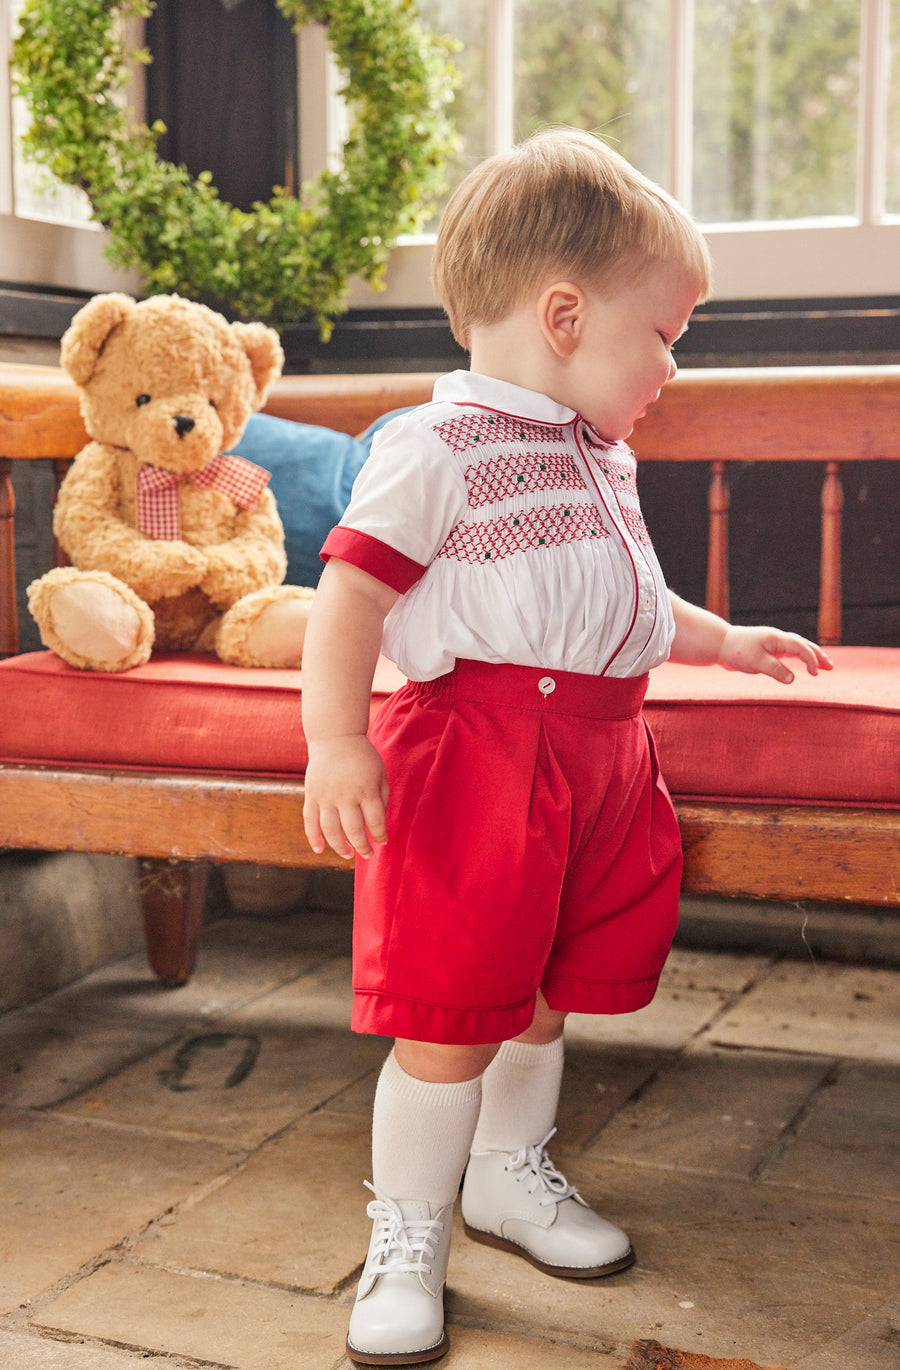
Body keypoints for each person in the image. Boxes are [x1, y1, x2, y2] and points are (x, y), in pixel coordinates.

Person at [300, 127, 832, 1366]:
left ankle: (505, 1174)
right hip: (475, 754)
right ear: (561, 314)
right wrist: (336, 740)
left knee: (539, 996)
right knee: (450, 1009)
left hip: (598, 757)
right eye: (667, 333)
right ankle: (409, 1226)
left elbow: (623, 597)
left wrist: (721, 638)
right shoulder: (437, 448)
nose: (671, 365)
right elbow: (351, 599)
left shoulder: (600, 453)